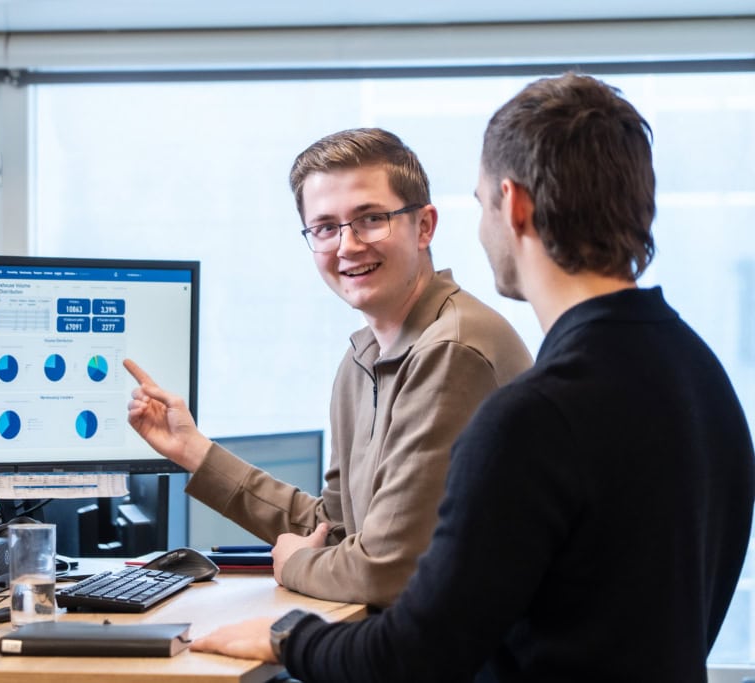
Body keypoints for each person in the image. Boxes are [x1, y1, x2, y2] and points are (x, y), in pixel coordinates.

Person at [188, 73, 755, 680]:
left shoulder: (534, 415)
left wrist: (286, 638)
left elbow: (413, 651)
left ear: (512, 205)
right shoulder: (701, 374)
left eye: (481, 202)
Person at [125, 127, 533, 608]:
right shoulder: (363, 358)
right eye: (325, 227)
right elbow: (334, 528)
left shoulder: (452, 351)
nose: (347, 245)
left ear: (424, 226)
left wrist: (294, 563)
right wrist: (193, 450)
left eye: (371, 219)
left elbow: (386, 570)